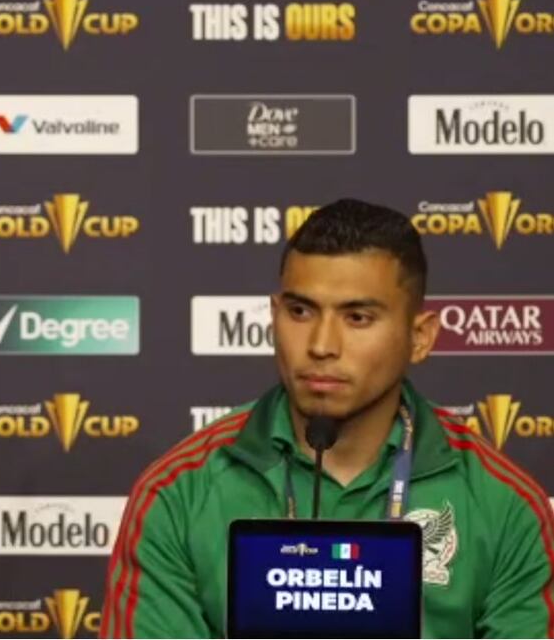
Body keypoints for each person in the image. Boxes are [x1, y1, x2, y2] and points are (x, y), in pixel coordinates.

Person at [101, 199, 554, 638]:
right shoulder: (180, 492)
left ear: (419, 337)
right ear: (273, 317)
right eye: (300, 312)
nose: (321, 344)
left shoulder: (505, 505)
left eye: (357, 317)